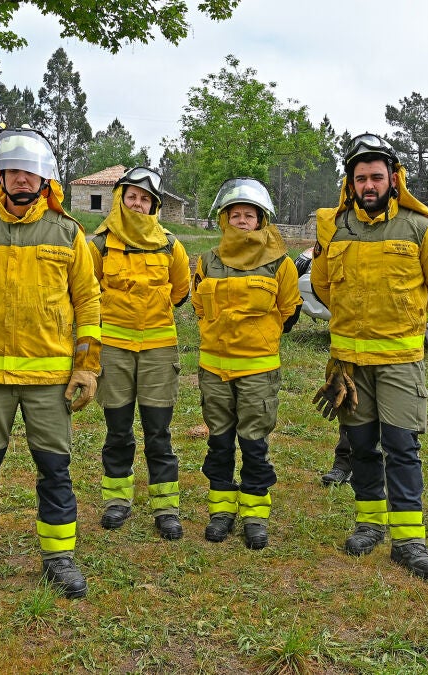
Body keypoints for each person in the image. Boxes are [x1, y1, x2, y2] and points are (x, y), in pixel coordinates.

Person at [0, 126, 101, 600]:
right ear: (0, 176)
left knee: (55, 469)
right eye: (13, 171)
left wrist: (86, 367)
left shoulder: (68, 233)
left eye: (30, 171)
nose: (22, 179)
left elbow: (89, 302)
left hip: (49, 378)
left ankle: (59, 559)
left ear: (44, 177)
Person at [310, 133, 428, 580]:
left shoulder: (419, 228)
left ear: (394, 180)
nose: (368, 185)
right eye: (361, 178)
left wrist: (403, 321)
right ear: (350, 184)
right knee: (361, 446)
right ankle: (369, 525)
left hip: (400, 361)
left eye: (376, 176)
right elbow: (322, 286)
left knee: (402, 447)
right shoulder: (335, 229)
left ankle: (409, 542)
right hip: (350, 363)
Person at [192, 177, 301, 550]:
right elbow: (198, 305)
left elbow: (289, 310)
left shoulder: (280, 263)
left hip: (257, 371)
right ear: (224, 219)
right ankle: (221, 512)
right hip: (215, 371)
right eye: (235, 214)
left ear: (261, 220)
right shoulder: (208, 261)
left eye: (248, 215)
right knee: (220, 444)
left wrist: (259, 338)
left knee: (254, 445)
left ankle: (255, 515)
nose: (241, 220)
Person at [90, 167, 191, 539]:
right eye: (131, 196)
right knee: (118, 431)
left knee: (158, 433)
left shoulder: (170, 246)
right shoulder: (98, 245)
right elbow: (86, 292)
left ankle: (166, 509)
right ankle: (117, 501)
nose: (137, 203)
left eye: (145, 199)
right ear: (120, 199)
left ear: (154, 206)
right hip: (114, 350)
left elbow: (180, 291)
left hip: (158, 352)